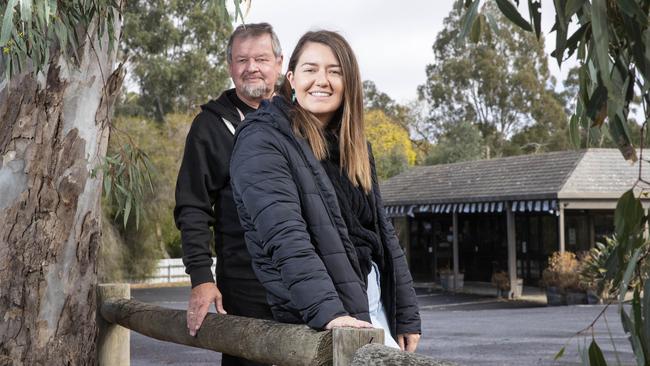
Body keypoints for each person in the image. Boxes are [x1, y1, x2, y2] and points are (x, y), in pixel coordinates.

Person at [230, 30, 421, 351]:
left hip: (375, 303)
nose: (322, 80)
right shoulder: (262, 140)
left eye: (335, 71)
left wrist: (405, 312)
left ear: (350, 82)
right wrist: (328, 312)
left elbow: (382, 233)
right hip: (321, 314)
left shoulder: (356, 146)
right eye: (311, 69)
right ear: (291, 78)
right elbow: (285, 237)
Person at [174, 23, 283, 366]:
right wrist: (202, 279)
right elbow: (192, 207)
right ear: (230, 67)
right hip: (244, 287)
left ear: (279, 63)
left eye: (262, 58)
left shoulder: (303, 118)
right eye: (242, 59)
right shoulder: (209, 126)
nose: (252, 67)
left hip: (307, 285)